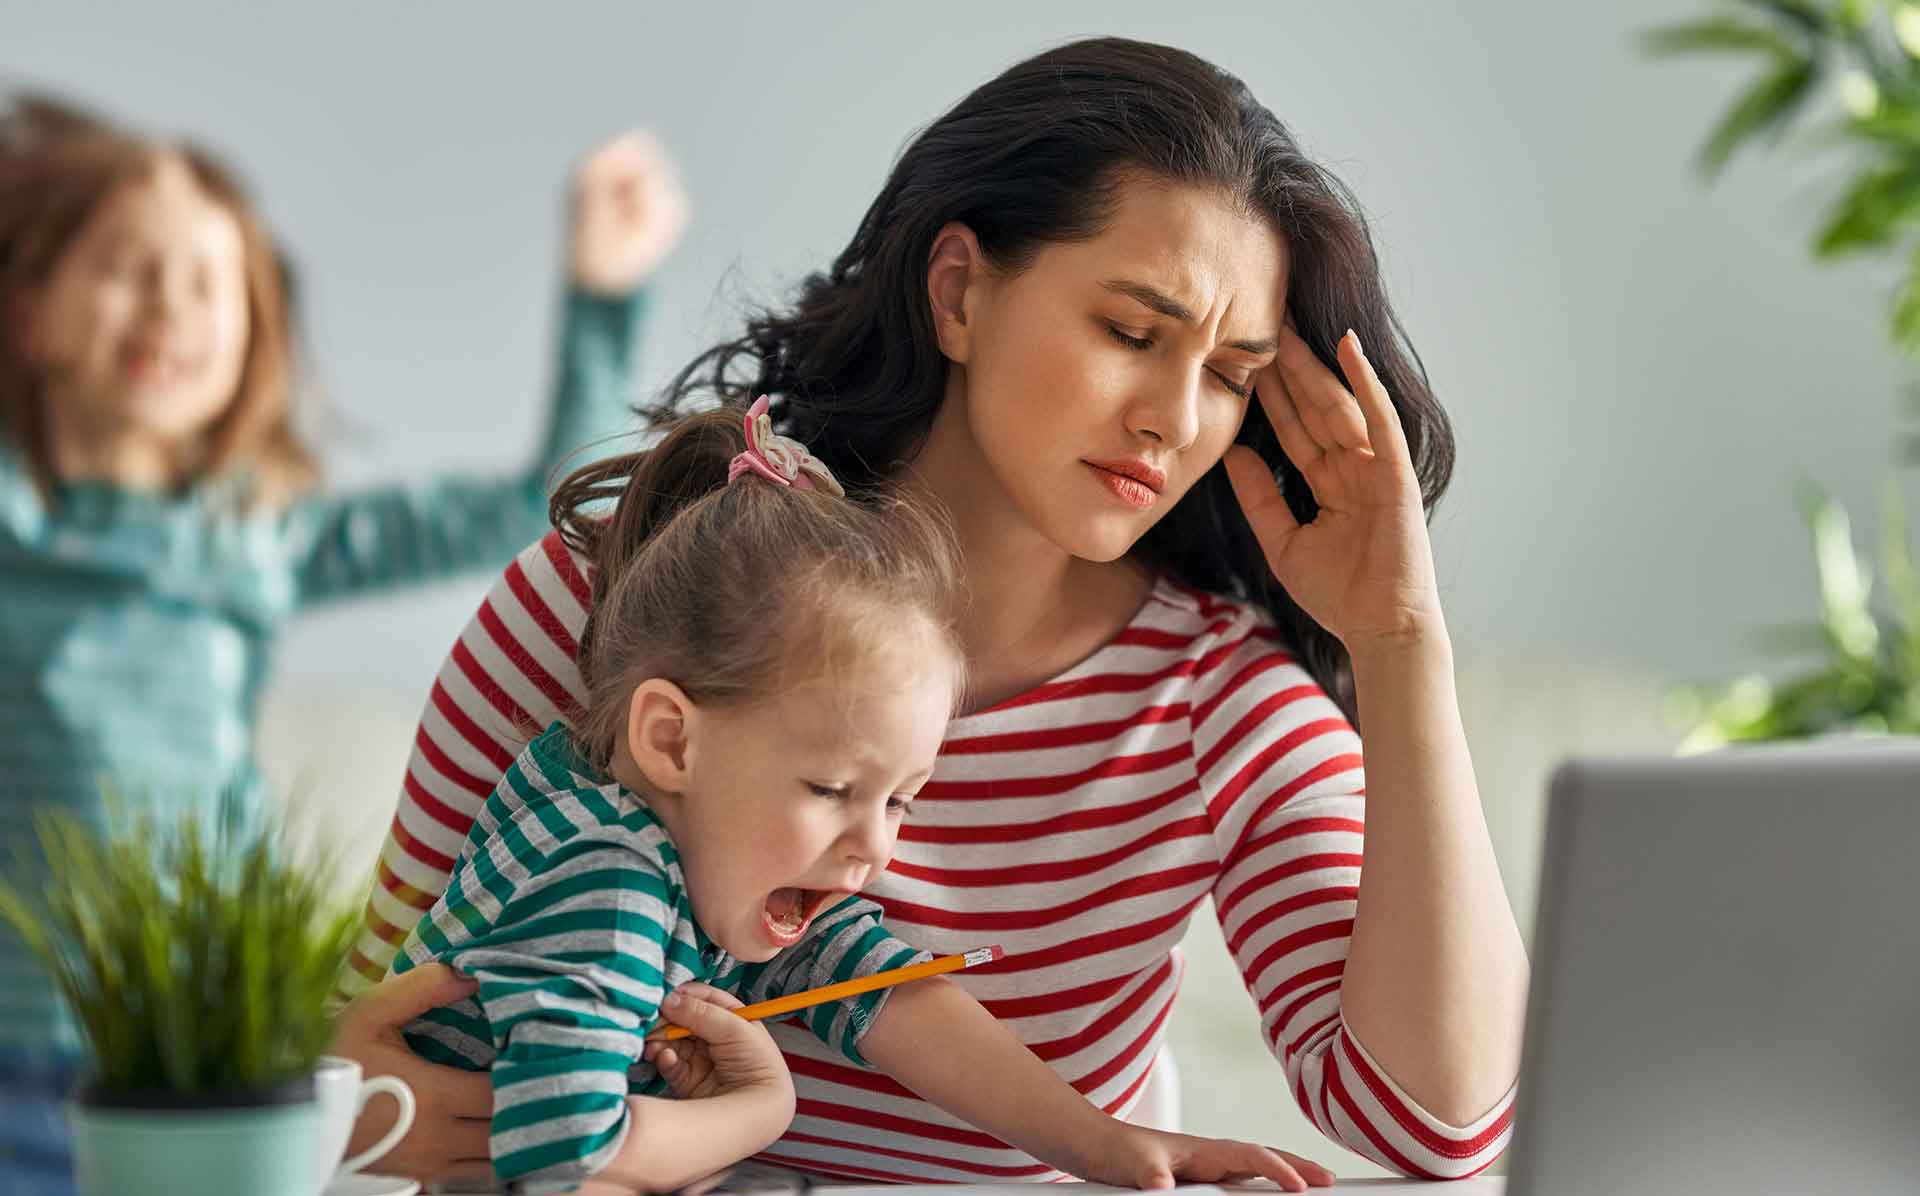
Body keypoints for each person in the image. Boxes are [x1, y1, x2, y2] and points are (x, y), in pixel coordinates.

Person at [334, 36, 1529, 1184]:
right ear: (957, 293)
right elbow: (357, 1020)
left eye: (1229, 376)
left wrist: (1399, 640)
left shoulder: (1218, 704)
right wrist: (362, 1108)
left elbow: (1438, 1126)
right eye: (1131, 331)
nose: (1174, 418)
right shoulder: (622, 590)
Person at [0, 94, 684, 1192]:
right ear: (30, 314)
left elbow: (544, 504)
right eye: (128, 267)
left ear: (252, 336)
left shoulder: (253, 535)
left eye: (209, 282)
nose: (171, 305)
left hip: (213, 1048)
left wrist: (602, 295)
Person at [391, 399, 1333, 1193]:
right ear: (671, 739)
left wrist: (1106, 1145)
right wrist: (759, 1112)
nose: (875, 850)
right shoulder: (607, 887)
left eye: (900, 801)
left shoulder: (691, 844)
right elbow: (563, 1157)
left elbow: (885, 990)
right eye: (834, 788)